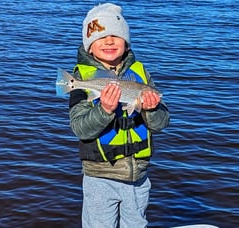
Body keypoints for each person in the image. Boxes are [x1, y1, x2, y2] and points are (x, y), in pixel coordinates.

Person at [68, 3, 169, 228]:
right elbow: (79, 128)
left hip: (139, 176)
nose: (110, 41)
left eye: (116, 35)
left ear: (126, 42)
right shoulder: (81, 79)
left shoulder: (142, 75)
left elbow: (161, 123)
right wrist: (103, 110)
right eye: (101, 37)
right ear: (89, 47)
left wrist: (152, 109)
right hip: (99, 176)